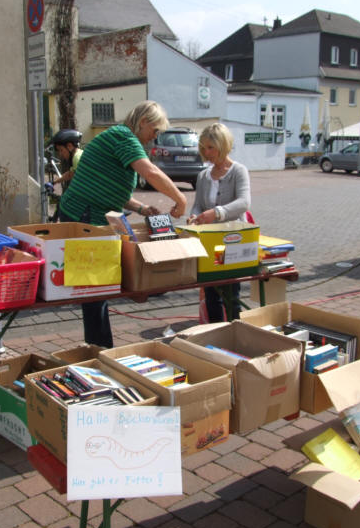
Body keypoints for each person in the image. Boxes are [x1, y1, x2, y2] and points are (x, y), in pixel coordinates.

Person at [57, 100, 187, 347]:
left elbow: (111, 190)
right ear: (143, 122)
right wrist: (179, 197)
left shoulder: (120, 138)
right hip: (83, 215)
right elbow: (152, 173)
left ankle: (100, 348)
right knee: (95, 289)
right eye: (155, 130)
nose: (154, 137)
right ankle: (100, 351)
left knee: (99, 288)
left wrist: (141, 208)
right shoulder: (123, 136)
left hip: (90, 213)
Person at [188, 123, 251, 322]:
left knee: (231, 295)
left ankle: (235, 332)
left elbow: (244, 203)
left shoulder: (239, 171)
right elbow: (198, 205)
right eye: (203, 148)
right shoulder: (203, 176)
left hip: (232, 241)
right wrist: (193, 217)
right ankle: (215, 333)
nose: (207, 153)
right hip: (209, 242)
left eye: (211, 148)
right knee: (211, 294)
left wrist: (216, 213)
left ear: (223, 146)